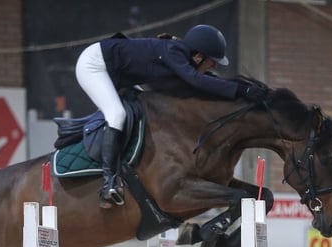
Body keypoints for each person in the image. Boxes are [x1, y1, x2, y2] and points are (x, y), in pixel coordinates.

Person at [75, 24, 268, 208]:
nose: (212, 66)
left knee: (145, 110)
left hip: (117, 73)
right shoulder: (173, 52)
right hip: (94, 65)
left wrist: (244, 90)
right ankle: (108, 183)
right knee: (117, 114)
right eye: (212, 62)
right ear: (199, 57)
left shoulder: (180, 55)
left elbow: (206, 80)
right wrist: (243, 91)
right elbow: (197, 81)